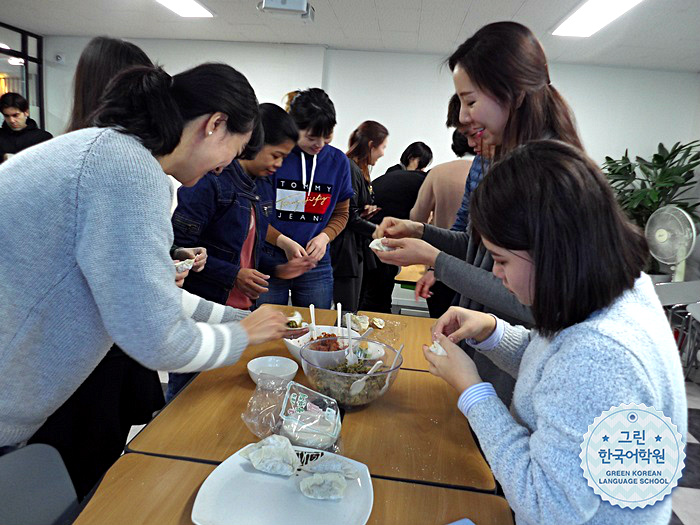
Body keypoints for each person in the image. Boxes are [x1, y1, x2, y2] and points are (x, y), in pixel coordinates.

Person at [0, 63, 297, 457]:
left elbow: (150, 295)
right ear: (215, 124)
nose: (225, 165)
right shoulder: (127, 170)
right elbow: (158, 339)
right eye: (236, 149)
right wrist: (243, 335)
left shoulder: (113, 151)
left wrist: (242, 321)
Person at [424, 140, 687, 525]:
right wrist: (493, 332)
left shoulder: (602, 355)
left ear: (551, 251)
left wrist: (473, 391)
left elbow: (547, 505)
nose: (496, 273)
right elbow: (556, 363)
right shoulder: (614, 290)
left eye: (501, 260)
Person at [372, 21, 583, 404]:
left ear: (512, 93)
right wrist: (421, 233)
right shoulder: (503, 164)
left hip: (512, 369)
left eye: (471, 102)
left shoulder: (547, 176)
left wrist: (435, 258)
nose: (469, 122)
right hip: (492, 346)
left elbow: (530, 300)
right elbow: (477, 248)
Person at [167, 103, 316, 400]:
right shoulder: (211, 180)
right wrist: (233, 274)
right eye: (276, 155)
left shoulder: (262, 187)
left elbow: (250, 248)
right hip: (204, 304)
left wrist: (277, 269)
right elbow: (178, 251)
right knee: (189, 394)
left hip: (239, 308)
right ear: (253, 143)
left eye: (285, 158)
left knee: (223, 395)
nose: (279, 165)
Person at [256, 88, 354, 309]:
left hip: (315, 261)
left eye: (326, 136)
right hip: (270, 257)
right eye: (311, 137)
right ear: (294, 127)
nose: (319, 143)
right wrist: (283, 241)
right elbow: (255, 213)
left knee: (317, 328)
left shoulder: (338, 161)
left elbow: (341, 213)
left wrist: (324, 238)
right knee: (267, 325)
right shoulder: (276, 156)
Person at [358, 141, 432, 313]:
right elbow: (422, 219)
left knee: (366, 296)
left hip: (363, 240)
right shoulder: (422, 180)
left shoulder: (390, 175)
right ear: (415, 159)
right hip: (380, 242)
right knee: (380, 298)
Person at [410, 130, 472, 318]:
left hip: (439, 263)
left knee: (440, 328)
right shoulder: (493, 171)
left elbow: (416, 217)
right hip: (477, 267)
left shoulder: (438, 172)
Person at [331, 120, 388, 312]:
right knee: (347, 312)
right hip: (345, 250)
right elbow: (349, 216)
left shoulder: (359, 171)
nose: (383, 153)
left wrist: (365, 212)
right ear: (372, 145)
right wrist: (380, 231)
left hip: (354, 247)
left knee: (352, 309)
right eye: (383, 147)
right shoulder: (350, 168)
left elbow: (353, 211)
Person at [0, 92, 52, 162]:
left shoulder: (43, 138)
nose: (11, 120)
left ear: (26, 112)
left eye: (15, 115)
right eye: (7, 116)